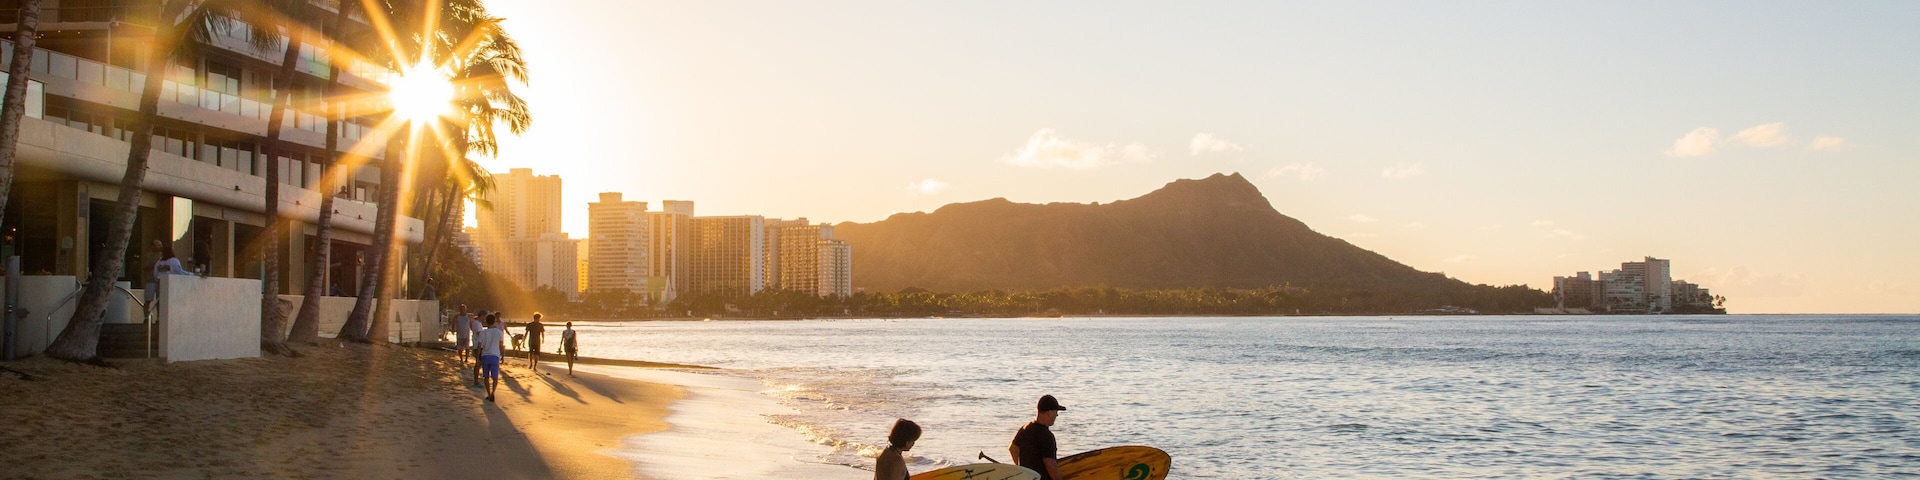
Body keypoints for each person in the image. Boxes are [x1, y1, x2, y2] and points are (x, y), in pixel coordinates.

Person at [1010, 395, 1067, 480]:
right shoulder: (1046, 436)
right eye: (1056, 412)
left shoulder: (1025, 428)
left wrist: (1021, 468)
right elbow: (1050, 463)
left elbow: (1012, 448)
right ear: (1049, 413)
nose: (1057, 415)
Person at [476, 313, 506, 402]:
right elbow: (501, 345)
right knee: (495, 377)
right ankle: (493, 392)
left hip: (485, 355)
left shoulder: (483, 333)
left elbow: (479, 346)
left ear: (486, 322)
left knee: (486, 377)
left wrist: (478, 357)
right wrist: (502, 355)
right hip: (495, 355)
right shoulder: (499, 332)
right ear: (495, 321)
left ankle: (489, 394)